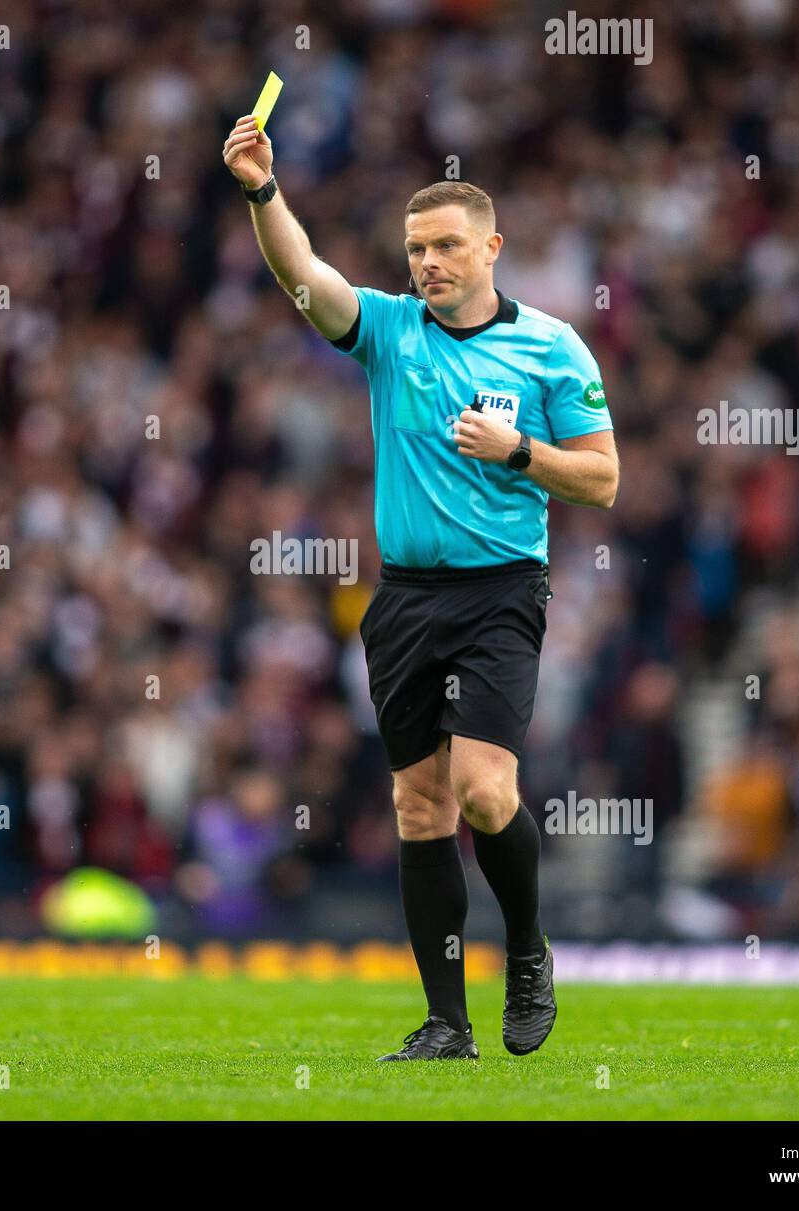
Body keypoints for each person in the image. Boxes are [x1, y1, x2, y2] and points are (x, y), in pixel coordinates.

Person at [223, 115, 619, 1060]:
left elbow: (604, 480)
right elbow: (304, 275)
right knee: (419, 807)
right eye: (414, 249)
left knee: (486, 793)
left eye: (446, 246)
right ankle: (448, 1023)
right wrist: (261, 191)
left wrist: (520, 450)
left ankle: (526, 945)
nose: (428, 263)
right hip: (403, 599)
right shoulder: (391, 331)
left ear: (492, 247)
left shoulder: (554, 349)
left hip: (499, 595)